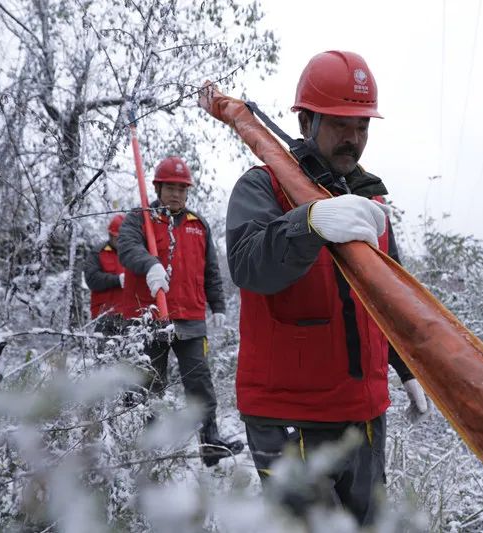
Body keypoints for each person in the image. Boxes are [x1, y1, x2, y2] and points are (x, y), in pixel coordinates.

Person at [225, 50, 428, 525]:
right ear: (307, 120)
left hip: (364, 413)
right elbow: (249, 266)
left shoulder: (370, 201)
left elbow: (388, 293)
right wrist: (309, 223)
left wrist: (405, 368)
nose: (353, 138)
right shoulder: (261, 188)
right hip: (289, 418)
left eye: (362, 126)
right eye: (340, 124)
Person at [118, 156, 243, 467]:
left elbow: (210, 269)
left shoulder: (198, 225)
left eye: (181, 189)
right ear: (158, 188)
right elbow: (127, 248)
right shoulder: (140, 219)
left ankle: (210, 442)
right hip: (151, 319)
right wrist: (150, 264)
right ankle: (149, 451)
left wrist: (218, 306)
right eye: (169, 188)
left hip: (190, 319)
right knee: (149, 385)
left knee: (200, 382)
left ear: (187, 192)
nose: (175, 194)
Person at [84, 214, 126, 335]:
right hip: (104, 317)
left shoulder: (135, 253)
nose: (121, 242)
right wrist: (117, 280)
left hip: (130, 316)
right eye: (118, 238)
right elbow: (92, 279)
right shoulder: (98, 253)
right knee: (105, 353)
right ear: (111, 235)